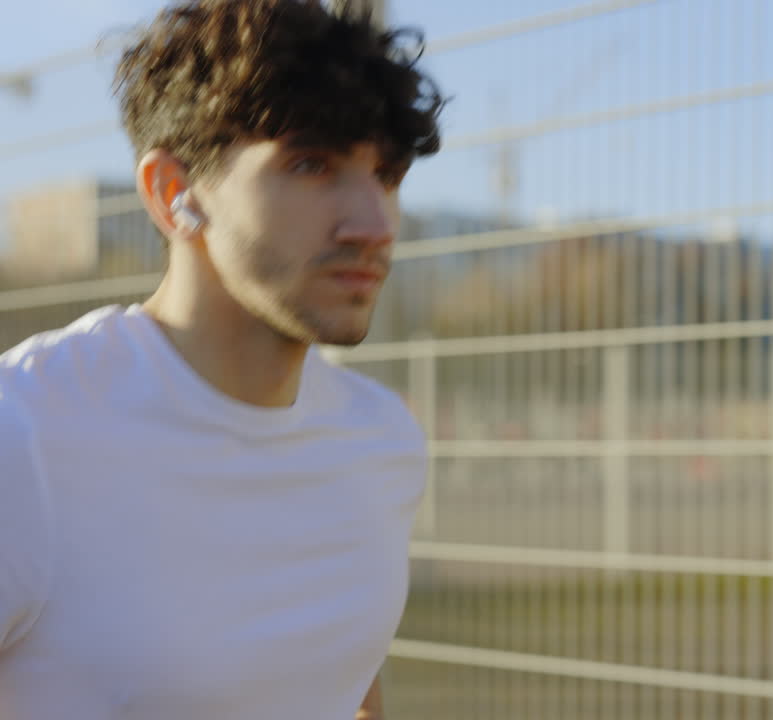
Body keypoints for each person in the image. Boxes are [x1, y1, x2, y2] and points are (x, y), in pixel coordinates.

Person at [0, 1, 445, 717]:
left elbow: (344, 685)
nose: (375, 224)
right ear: (174, 194)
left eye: (387, 173)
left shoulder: (384, 441)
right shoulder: (24, 438)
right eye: (311, 164)